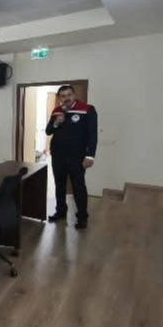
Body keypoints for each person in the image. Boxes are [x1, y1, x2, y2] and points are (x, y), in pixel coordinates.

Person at [45, 85, 98, 229]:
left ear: (74, 95)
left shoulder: (87, 109)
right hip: (58, 156)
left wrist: (90, 156)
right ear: (59, 98)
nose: (66, 98)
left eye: (69, 95)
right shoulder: (57, 111)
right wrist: (56, 123)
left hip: (77, 157)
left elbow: (92, 135)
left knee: (78, 187)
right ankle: (61, 211)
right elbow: (48, 131)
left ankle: (82, 217)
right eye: (63, 96)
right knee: (59, 186)